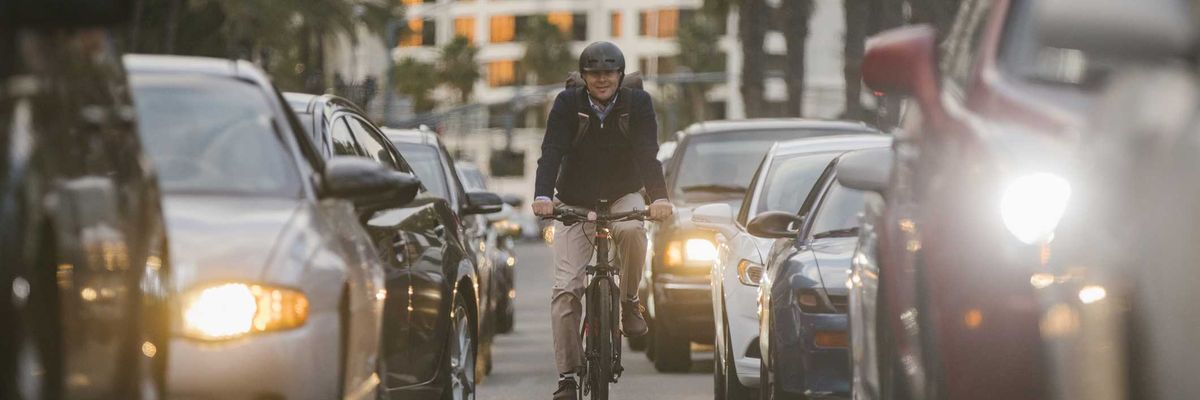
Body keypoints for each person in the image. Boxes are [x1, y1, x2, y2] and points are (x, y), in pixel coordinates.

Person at [532, 41, 674, 400]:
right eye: (594, 73)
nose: (602, 79)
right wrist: (543, 196)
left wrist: (659, 198)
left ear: (620, 76)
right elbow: (551, 151)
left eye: (609, 73)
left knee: (632, 230)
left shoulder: (638, 104)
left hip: (623, 193)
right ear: (583, 77)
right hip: (574, 200)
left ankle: (628, 301)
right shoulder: (567, 104)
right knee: (566, 289)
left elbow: (648, 154)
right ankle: (567, 376)